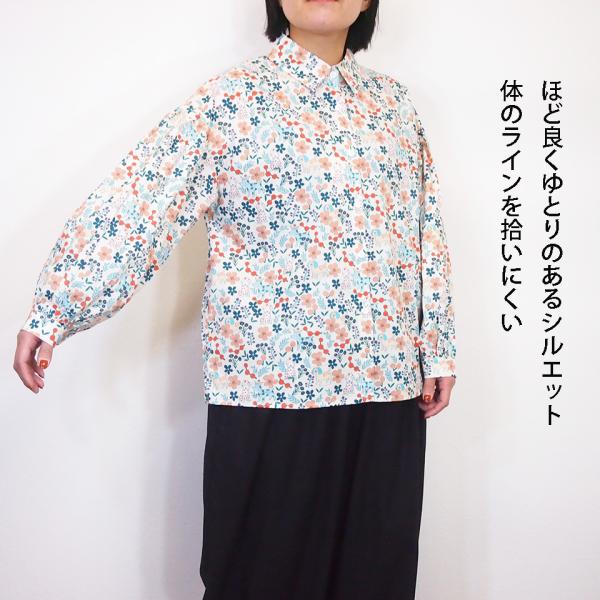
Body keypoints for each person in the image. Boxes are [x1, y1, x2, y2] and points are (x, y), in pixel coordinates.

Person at [14, 0, 457, 598]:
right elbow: (143, 200)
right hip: (269, 389)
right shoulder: (231, 101)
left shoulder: (395, 107)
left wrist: (438, 346)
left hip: (387, 392)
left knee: (375, 579)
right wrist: (56, 308)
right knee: (258, 579)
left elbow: (425, 230)